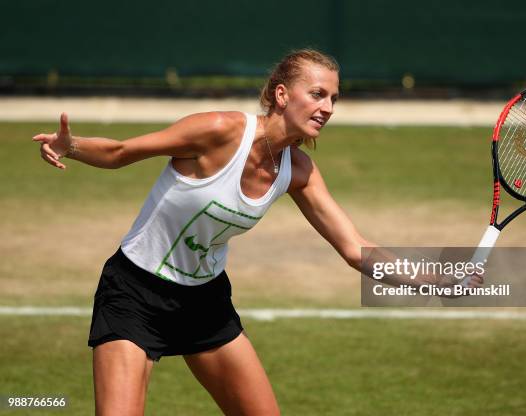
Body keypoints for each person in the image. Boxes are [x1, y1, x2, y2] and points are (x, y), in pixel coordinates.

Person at [33, 49, 481, 416]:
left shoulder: (298, 169)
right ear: (282, 95)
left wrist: (438, 280)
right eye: (318, 94)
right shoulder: (219, 131)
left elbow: (356, 248)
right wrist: (70, 146)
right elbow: (121, 151)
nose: (327, 108)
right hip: (134, 293)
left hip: (204, 303)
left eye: (334, 99)